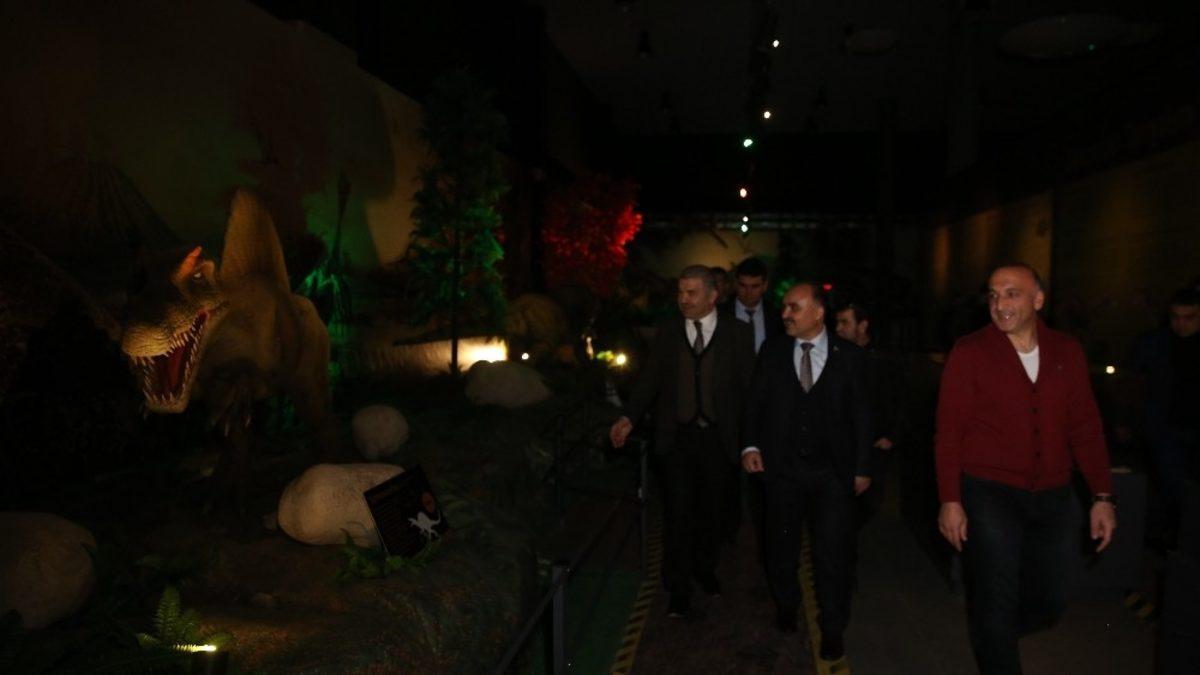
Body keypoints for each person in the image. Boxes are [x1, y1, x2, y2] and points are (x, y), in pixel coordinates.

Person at [935, 263, 1117, 675]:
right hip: (989, 493)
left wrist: (1102, 495)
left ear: (1038, 299)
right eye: (993, 295)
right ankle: (996, 642)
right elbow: (948, 432)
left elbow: (1086, 427)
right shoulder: (971, 351)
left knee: (1050, 600)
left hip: (1053, 495)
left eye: (1012, 294)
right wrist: (950, 499)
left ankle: (993, 634)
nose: (1000, 304)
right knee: (995, 595)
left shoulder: (1066, 351)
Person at [610, 265, 755, 618]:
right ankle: (678, 588)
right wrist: (628, 416)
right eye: (680, 292)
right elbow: (651, 379)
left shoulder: (738, 332)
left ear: (712, 296)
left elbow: (748, 390)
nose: (683, 299)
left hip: (719, 440)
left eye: (691, 293)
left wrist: (751, 441)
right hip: (677, 439)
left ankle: (704, 568)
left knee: (713, 514)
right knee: (677, 514)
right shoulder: (669, 331)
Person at [742, 282, 873, 661]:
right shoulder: (773, 351)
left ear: (818, 312)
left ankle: (832, 627)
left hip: (832, 474)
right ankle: (786, 604)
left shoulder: (850, 356)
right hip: (782, 471)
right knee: (780, 546)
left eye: (794, 308)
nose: (785, 314)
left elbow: (863, 414)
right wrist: (750, 445)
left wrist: (863, 466)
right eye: (784, 307)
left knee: (832, 554)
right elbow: (755, 403)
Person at [1130, 287, 1200, 544]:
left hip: (1187, 425)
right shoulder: (1157, 343)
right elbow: (1135, 378)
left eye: (1189, 317)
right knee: (1170, 486)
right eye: (1176, 317)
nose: (1181, 324)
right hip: (1166, 427)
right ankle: (1169, 537)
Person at [835, 302, 908, 527]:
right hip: (845, 440)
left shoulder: (884, 359)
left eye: (845, 322)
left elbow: (901, 399)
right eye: (837, 322)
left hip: (876, 442)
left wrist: (893, 435)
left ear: (862, 325)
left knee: (870, 499)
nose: (839, 328)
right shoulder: (835, 356)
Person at [725, 257, 783, 354]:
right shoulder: (721, 313)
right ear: (735, 284)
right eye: (743, 285)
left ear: (765, 286)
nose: (748, 292)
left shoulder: (777, 316)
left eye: (755, 286)